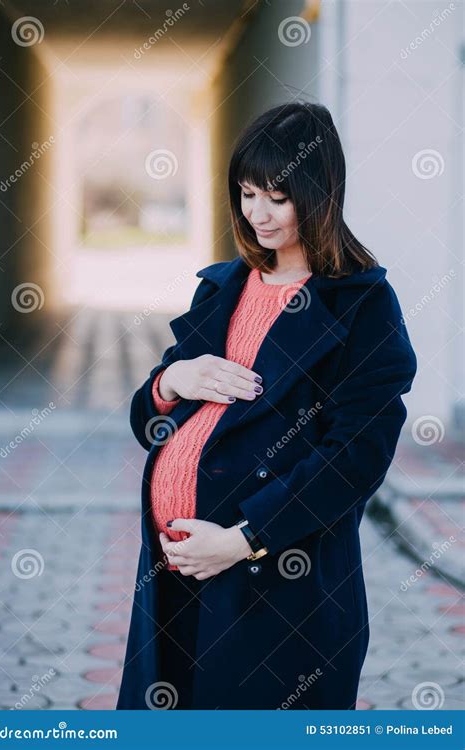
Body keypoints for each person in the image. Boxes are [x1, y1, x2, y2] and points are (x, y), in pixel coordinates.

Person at [116, 101, 417, 710]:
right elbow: (149, 423)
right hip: (172, 580)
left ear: (319, 193)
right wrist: (172, 379)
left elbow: (354, 460)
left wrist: (245, 537)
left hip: (277, 587)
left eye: (277, 197)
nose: (257, 214)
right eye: (248, 194)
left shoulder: (362, 304)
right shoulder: (222, 286)